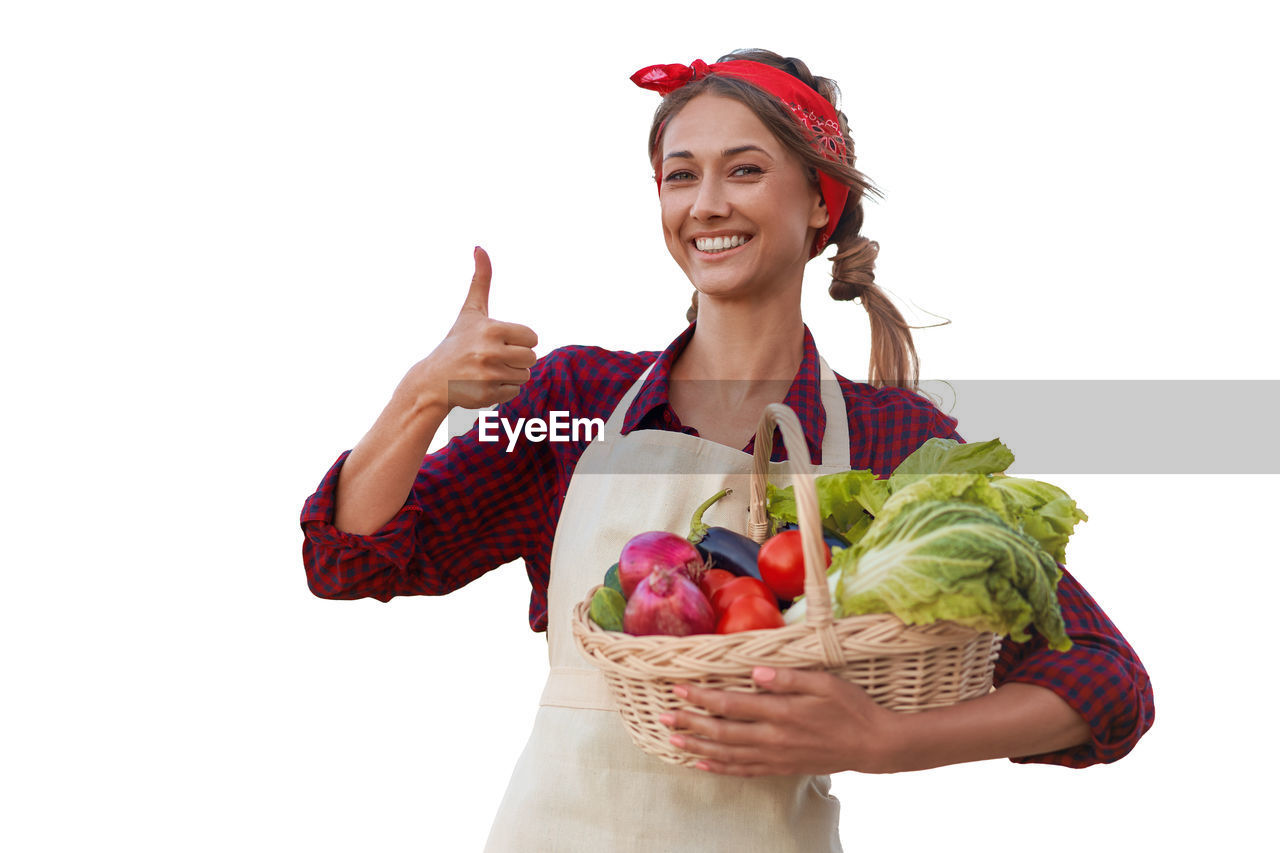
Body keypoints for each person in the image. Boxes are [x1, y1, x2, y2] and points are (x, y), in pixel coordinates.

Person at [300, 50, 1154, 852]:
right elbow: (357, 557)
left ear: (820, 201)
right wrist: (422, 394)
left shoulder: (893, 441)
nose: (704, 203)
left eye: (744, 169)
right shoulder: (576, 400)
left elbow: (1106, 678)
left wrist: (887, 740)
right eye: (680, 175)